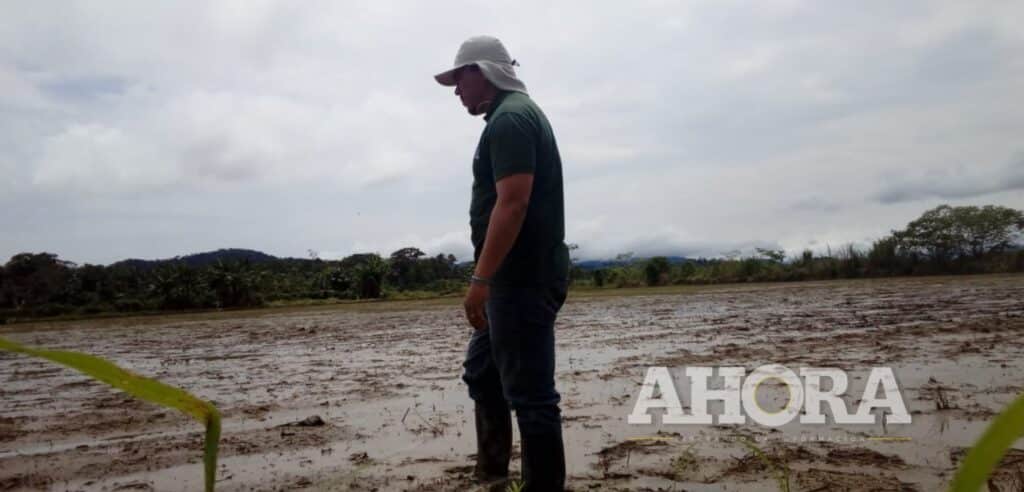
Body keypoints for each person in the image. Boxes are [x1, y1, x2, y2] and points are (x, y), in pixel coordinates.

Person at [434, 35, 571, 491]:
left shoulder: (511, 120)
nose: (456, 91)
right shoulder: (506, 119)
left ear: (482, 72)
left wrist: (481, 278)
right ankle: (491, 476)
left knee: (532, 398)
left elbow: (512, 204)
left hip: (520, 281)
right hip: (509, 282)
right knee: (483, 374)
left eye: (459, 80)